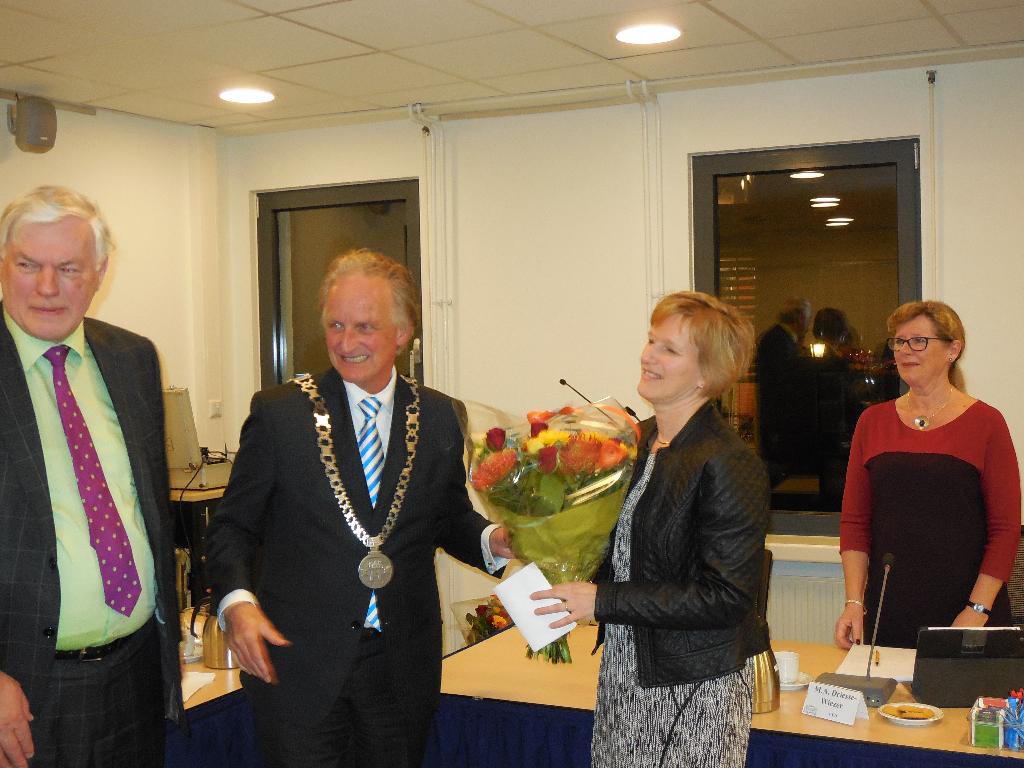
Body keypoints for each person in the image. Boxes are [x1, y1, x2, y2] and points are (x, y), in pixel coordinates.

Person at [204, 249, 513, 768]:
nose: (346, 344)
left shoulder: (439, 415)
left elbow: (446, 517)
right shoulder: (281, 414)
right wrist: (236, 603)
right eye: (336, 325)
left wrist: (494, 540)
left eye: (365, 327)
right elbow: (231, 527)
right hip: (298, 668)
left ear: (403, 331)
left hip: (399, 668)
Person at [534, 291, 769, 768]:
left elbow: (726, 597)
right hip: (626, 668)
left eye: (669, 349)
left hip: (695, 684)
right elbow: (625, 552)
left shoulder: (728, 461)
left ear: (706, 374)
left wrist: (601, 600)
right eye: (650, 340)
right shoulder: (635, 443)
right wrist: (548, 549)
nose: (648, 356)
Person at [0, 186, 184, 768]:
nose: (47, 287)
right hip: (21, 691)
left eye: (69, 268)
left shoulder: (133, 358)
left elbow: (148, 510)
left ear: (100, 273)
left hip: (136, 675)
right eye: (28, 265)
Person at [835, 300, 1021, 649]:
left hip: (969, 612)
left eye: (918, 341)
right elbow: (855, 523)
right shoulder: (872, 422)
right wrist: (854, 602)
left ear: (953, 349)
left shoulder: (987, 423)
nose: (905, 350)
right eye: (898, 342)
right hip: (887, 613)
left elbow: (1005, 529)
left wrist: (977, 610)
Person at [755, 297, 814, 480]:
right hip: (780, 424)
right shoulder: (779, 342)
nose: (808, 325)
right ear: (799, 317)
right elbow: (785, 383)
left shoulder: (777, 338)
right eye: (807, 319)